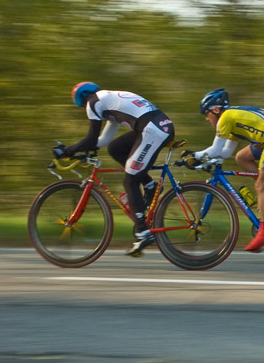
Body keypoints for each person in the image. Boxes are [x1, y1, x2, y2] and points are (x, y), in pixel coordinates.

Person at [56, 83, 175, 256]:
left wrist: (66, 151)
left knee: (130, 180)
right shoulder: (108, 102)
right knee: (115, 148)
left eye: (81, 107)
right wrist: (80, 150)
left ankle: (142, 232)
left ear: (82, 99)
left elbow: (90, 139)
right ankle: (150, 186)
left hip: (152, 129)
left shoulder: (92, 102)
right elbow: (103, 140)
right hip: (156, 125)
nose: (84, 109)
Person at [190, 89, 264, 253]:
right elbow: (225, 152)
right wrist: (205, 159)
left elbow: (215, 148)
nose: (207, 118)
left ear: (216, 110)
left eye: (207, 113)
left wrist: (193, 156)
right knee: (241, 157)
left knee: (260, 187)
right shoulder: (233, 118)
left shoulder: (225, 118)